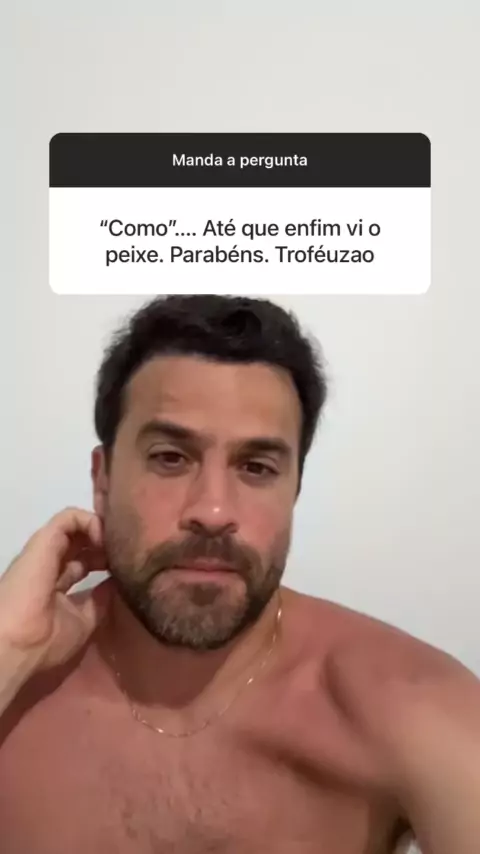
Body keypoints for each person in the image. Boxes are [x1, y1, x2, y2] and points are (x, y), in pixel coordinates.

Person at [0, 295, 478, 854]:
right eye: (170, 458)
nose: (213, 511)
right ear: (102, 480)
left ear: (294, 489)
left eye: (256, 467)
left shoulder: (408, 710)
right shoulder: (15, 684)